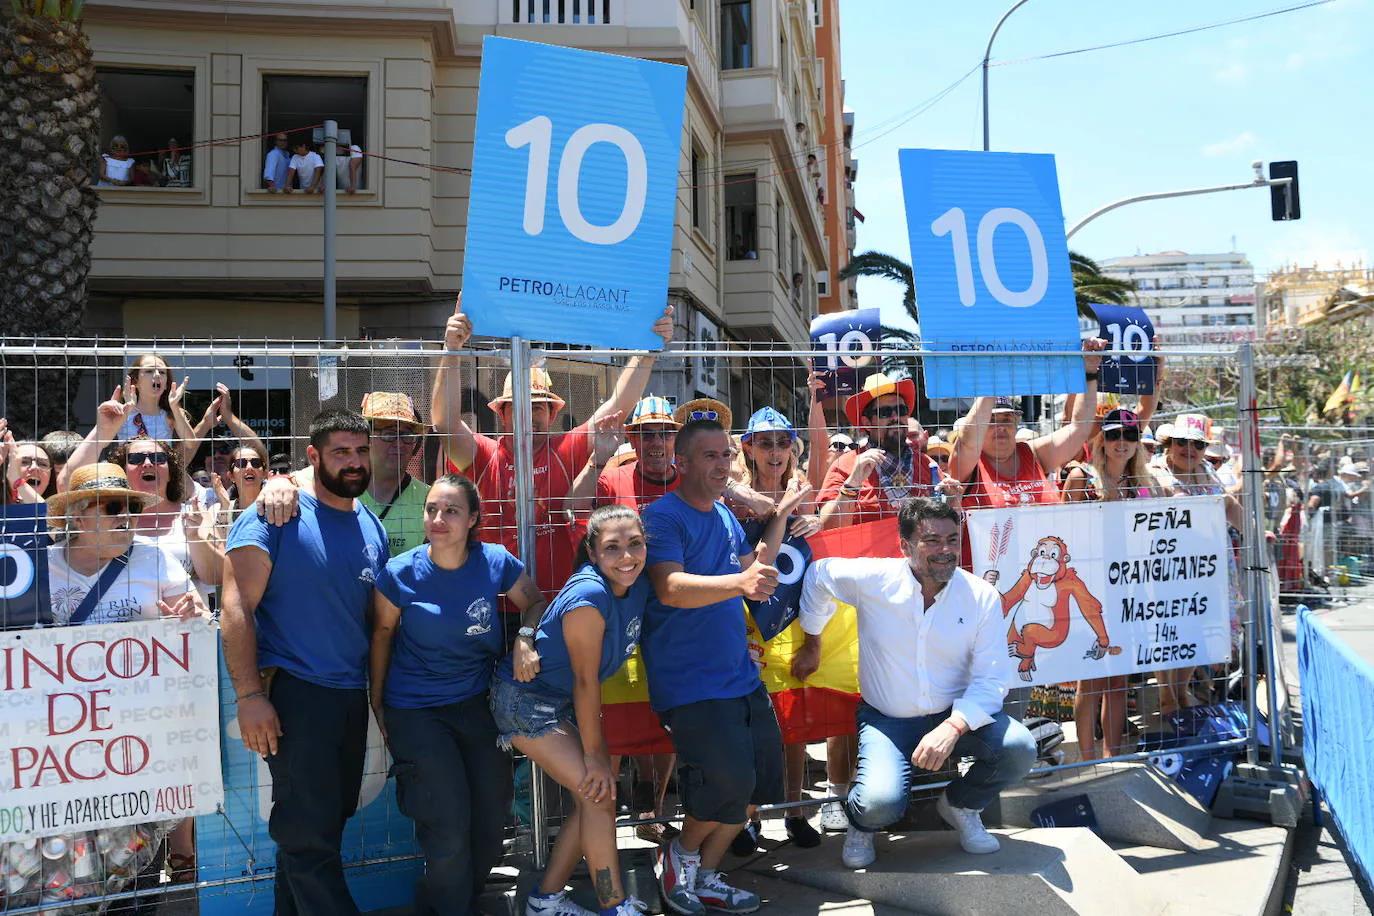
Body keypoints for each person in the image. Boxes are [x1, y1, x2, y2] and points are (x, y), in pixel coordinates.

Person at [793, 498, 1036, 869]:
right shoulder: (874, 579)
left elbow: (992, 677)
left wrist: (954, 726)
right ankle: (861, 823)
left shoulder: (981, 596)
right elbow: (818, 574)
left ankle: (961, 806)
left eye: (952, 540)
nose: (945, 551)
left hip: (953, 717)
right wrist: (813, 641)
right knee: (877, 804)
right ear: (904, 545)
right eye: (932, 540)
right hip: (887, 720)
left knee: (1020, 747)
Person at [221, 409, 389, 915]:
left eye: (361, 451)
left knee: (318, 827)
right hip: (296, 695)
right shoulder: (275, 514)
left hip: (347, 696)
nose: (355, 463)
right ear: (312, 456)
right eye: (341, 452)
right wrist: (250, 696)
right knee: (310, 838)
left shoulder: (371, 526)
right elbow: (234, 607)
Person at [371, 475, 545, 915]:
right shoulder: (400, 573)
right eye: (431, 509)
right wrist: (377, 702)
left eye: (451, 510)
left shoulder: (494, 561)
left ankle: (452, 902)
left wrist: (525, 636)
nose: (438, 518)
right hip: (416, 710)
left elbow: (535, 600)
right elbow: (382, 635)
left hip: (476, 704)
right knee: (446, 824)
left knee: (491, 820)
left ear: (472, 519)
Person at [430, 296, 673, 595]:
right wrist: (452, 349)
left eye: (539, 407)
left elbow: (618, 406)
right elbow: (445, 423)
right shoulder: (484, 454)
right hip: (492, 603)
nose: (530, 416)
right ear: (502, 413)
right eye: (520, 406)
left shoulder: (565, 449)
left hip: (558, 601)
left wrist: (647, 349)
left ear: (552, 413)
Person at [642, 418, 783, 916]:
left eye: (726, 454)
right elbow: (670, 588)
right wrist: (741, 584)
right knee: (723, 784)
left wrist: (781, 516)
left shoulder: (725, 514)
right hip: (691, 684)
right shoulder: (662, 517)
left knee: (757, 788)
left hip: (739, 676)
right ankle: (679, 856)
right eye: (710, 455)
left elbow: (753, 567)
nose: (722, 464)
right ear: (681, 463)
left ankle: (704, 875)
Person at [491, 504, 654, 916]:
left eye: (635, 544)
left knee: (593, 795)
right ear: (594, 553)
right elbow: (585, 682)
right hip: (525, 704)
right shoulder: (590, 596)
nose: (627, 557)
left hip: (558, 702)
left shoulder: (636, 583)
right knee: (599, 792)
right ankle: (614, 905)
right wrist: (595, 756)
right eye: (613, 548)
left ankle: (545, 901)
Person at [730, 407, 830, 851]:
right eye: (765, 442)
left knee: (794, 721)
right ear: (748, 447)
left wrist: (819, 519)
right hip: (744, 622)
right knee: (751, 722)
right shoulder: (734, 499)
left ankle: (792, 810)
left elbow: (824, 553)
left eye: (782, 442)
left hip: (791, 618)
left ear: (793, 448)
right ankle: (747, 818)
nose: (775, 451)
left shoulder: (803, 494)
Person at [1060, 408, 1164, 760]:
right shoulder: (1081, 478)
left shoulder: (1145, 486)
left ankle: (1112, 755)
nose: (1122, 443)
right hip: (1089, 591)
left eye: (1131, 436)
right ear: (1102, 438)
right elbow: (1062, 533)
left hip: (1130, 592)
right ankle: (1087, 758)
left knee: (1118, 680)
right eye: (1115, 434)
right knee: (1090, 678)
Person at [1153, 414, 1245, 713]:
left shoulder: (1206, 470)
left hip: (1209, 567)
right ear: (1170, 443)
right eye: (1182, 442)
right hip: (1170, 570)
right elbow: (1178, 500)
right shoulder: (1156, 470)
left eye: (1198, 444)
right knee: (1169, 634)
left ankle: (1180, 693)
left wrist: (1254, 531)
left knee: (1197, 631)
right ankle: (1167, 697)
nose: (1189, 449)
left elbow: (1228, 504)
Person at [818, 373, 953, 529]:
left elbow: (944, 528)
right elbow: (828, 528)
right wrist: (852, 484)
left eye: (901, 410)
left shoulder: (927, 464)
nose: (895, 417)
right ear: (867, 423)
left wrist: (953, 502)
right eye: (885, 412)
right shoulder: (845, 466)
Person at [109, 435, 222, 609]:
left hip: (189, 626)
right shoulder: (107, 520)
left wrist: (195, 537)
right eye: (136, 459)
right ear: (122, 472)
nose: (147, 463)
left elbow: (217, 576)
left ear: (171, 473)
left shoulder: (196, 515)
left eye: (158, 458)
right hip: (126, 631)